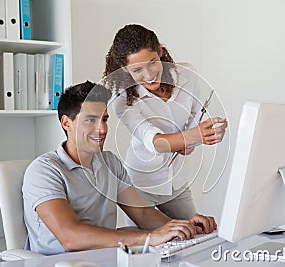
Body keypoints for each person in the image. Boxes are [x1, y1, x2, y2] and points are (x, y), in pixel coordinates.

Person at [22, 80, 217, 255]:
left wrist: (183, 226)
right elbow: (70, 237)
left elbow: (142, 213)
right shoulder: (44, 171)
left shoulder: (110, 163)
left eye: (104, 119)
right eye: (91, 120)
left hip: (102, 258)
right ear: (67, 123)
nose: (102, 129)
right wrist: (150, 237)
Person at [103, 24, 228, 220]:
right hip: (142, 183)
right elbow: (154, 141)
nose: (149, 74)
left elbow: (195, 119)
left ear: (160, 52)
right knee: (147, 245)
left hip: (176, 181)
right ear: (124, 69)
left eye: (152, 62)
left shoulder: (187, 75)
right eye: (137, 70)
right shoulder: (122, 99)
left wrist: (208, 132)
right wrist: (194, 137)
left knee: (196, 231)